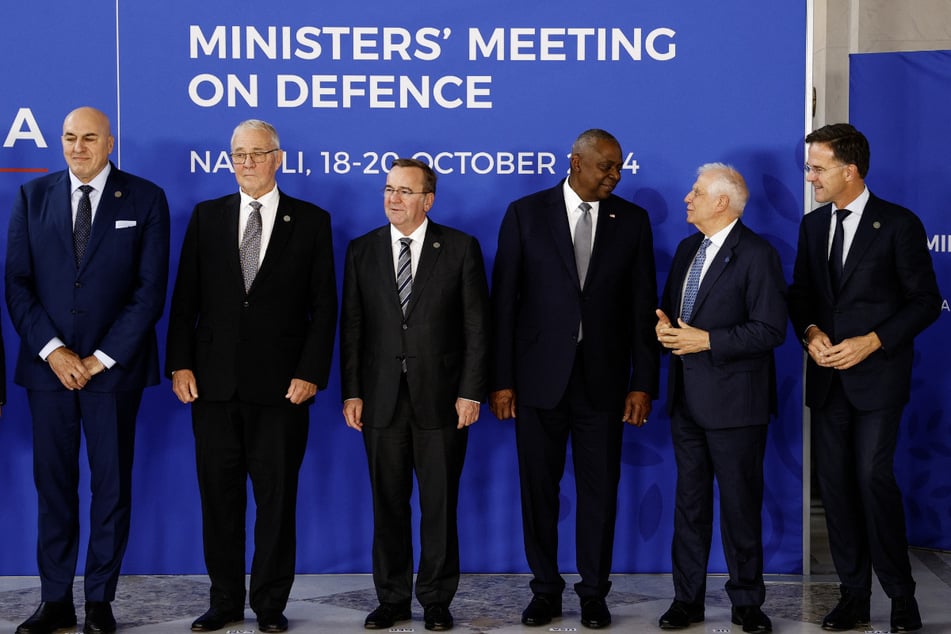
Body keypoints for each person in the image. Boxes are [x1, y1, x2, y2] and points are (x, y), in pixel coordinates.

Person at [165, 119, 337, 633]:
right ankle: (223, 602)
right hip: (213, 387)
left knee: (276, 502)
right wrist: (180, 363)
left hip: (283, 390)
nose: (246, 163)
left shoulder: (310, 221)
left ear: (278, 158)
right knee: (219, 502)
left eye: (256, 154)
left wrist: (310, 373)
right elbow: (184, 301)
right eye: (238, 154)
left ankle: (269, 606)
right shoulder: (207, 216)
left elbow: (324, 308)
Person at [5, 106, 170, 634]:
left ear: (110, 142)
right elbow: (17, 284)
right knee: (53, 486)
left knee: (111, 487)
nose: (79, 147)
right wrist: (53, 350)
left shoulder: (145, 198)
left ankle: (100, 600)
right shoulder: (32, 197)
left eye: (90, 138)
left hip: (113, 373)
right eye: (70, 138)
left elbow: (149, 292)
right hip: (47, 371)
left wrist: (99, 358)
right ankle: (55, 600)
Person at [490, 128, 658, 629]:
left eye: (619, 166)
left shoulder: (632, 220)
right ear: (575, 162)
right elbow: (504, 304)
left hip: (604, 384)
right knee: (538, 491)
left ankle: (593, 593)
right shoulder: (525, 213)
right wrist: (501, 380)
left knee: (599, 493)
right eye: (606, 165)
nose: (614, 175)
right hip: (537, 381)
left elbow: (641, 309)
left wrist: (642, 381)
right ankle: (544, 589)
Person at [789, 123, 940, 633]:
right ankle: (853, 596)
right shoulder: (812, 227)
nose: (810, 177)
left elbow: (925, 302)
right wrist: (809, 332)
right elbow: (803, 294)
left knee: (872, 479)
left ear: (848, 170)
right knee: (834, 489)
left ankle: (901, 597)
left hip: (878, 378)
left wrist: (872, 340)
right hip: (828, 380)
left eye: (817, 168)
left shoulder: (898, 224)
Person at [340, 158, 489, 632]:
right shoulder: (361, 250)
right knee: (387, 502)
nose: (393, 199)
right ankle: (392, 597)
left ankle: (437, 599)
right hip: (380, 398)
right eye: (388, 189)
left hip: (442, 399)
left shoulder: (461, 248)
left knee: (440, 503)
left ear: (428, 199)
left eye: (405, 191)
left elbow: (476, 327)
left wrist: (470, 392)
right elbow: (354, 329)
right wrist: (352, 392)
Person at [654, 164, 786, 634]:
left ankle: (747, 603)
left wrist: (707, 341)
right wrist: (665, 331)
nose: (686, 198)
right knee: (688, 506)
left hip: (736, 406)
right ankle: (686, 601)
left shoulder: (756, 254)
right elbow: (676, 319)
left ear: (722, 203)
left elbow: (771, 330)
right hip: (686, 402)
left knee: (739, 508)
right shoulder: (688, 248)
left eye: (696, 192)